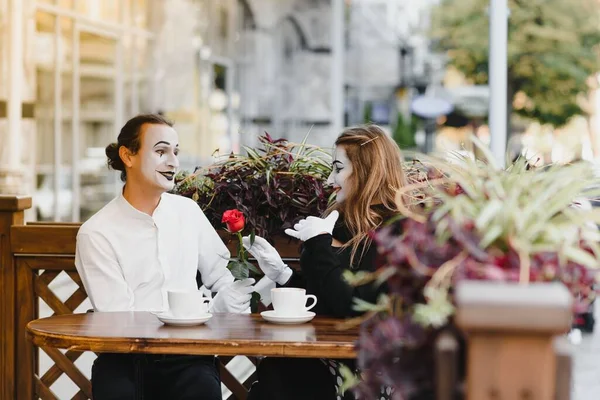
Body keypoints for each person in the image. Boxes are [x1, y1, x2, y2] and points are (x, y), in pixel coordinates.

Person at [75, 114, 255, 400]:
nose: (173, 162)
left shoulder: (188, 213)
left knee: (201, 388)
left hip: (189, 356)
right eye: (161, 151)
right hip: (125, 360)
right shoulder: (96, 233)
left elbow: (223, 277)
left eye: (176, 151)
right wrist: (198, 310)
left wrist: (230, 299)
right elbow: (118, 319)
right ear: (128, 156)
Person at [243, 125, 407, 400]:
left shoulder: (397, 232)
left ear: (366, 171)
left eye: (338, 168)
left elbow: (350, 305)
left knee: (281, 378)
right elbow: (323, 298)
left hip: (366, 366)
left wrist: (319, 243)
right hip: (320, 354)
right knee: (275, 370)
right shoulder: (337, 222)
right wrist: (283, 275)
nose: (331, 178)